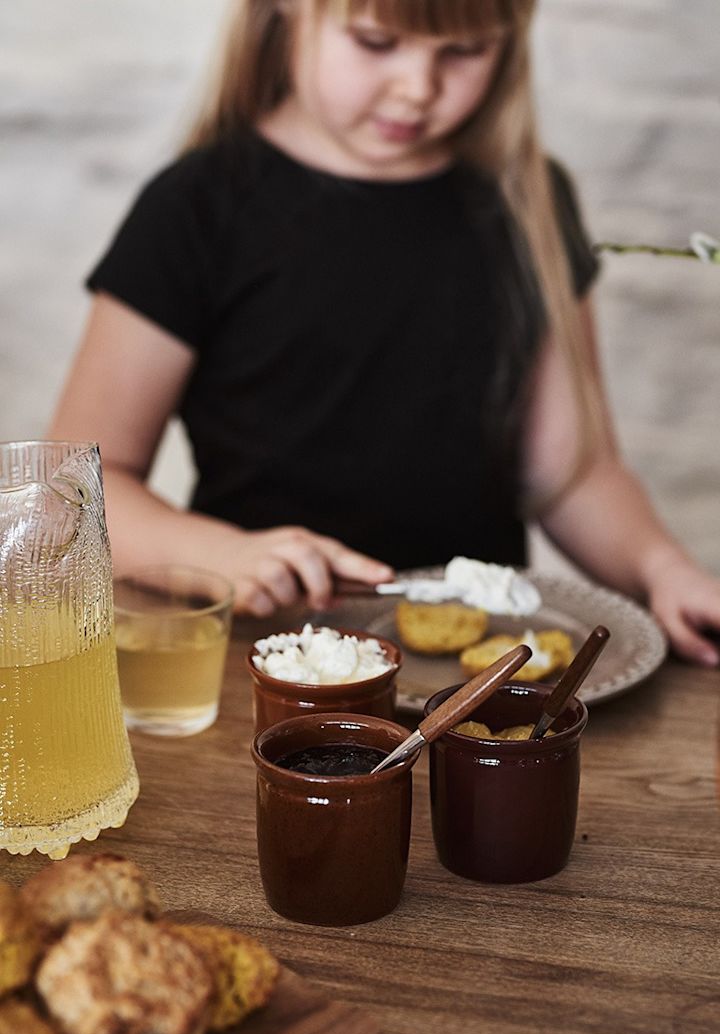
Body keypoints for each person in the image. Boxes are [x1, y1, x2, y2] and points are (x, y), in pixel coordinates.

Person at [49, 0, 720, 665]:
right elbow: (76, 489)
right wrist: (219, 554)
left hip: (470, 681)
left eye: (463, 51)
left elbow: (575, 476)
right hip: (269, 666)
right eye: (376, 42)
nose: (418, 88)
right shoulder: (195, 209)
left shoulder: (532, 201)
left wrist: (663, 568)